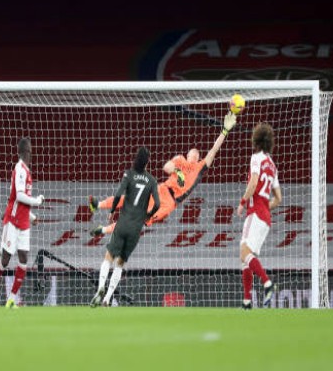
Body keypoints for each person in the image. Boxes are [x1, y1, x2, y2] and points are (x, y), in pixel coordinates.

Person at [89, 112, 237, 235]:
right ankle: (98, 204)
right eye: (192, 153)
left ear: (199, 158)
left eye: (197, 154)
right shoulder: (180, 160)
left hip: (169, 202)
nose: (195, 154)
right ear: (187, 155)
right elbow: (166, 167)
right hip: (161, 189)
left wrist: (224, 130)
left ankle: (102, 230)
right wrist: (177, 171)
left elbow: (214, 150)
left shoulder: (199, 167)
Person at [90, 147, 160, 307]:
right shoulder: (152, 180)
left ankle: (100, 289)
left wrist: (112, 211)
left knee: (108, 257)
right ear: (147, 162)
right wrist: (148, 215)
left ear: (136, 159)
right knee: (120, 263)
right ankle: (107, 298)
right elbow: (157, 204)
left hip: (122, 224)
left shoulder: (129, 174)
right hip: (135, 229)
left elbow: (118, 194)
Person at [0, 138, 44, 309]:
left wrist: (31, 217)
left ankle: (11, 299)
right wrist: (37, 201)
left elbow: (21, 202)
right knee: (5, 259)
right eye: (29, 151)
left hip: (23, 222)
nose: (31, 154)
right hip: (13, 221)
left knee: (23, 259)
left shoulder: (26, 171)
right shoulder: (20, 169)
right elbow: (20, 196)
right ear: (24, 152)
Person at [237, 123, 281, 310]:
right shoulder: (273, 166)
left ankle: (267, 282)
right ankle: (247, 302)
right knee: (247, 257)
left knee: (244, 253)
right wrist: (265, 206)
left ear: (256, 140)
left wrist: (242, 202)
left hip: (255, 213)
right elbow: (278, 198)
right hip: (265, 218)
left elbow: (254, 182)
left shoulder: (256, 158)